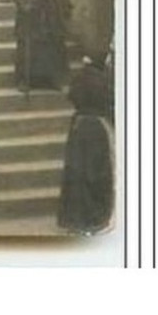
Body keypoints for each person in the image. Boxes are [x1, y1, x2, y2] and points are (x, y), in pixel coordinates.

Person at [8, 0, 73, 98]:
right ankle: (25, 80)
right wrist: (25, 4)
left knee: (51, 47)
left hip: (50, 14)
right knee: (29, 47)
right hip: (31, 16)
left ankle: (51, 79)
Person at [57, 54, 114, 234]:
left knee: (77, 173)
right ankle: (94, 215)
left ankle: (75, 217)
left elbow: (72, 96)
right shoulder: (104, 80)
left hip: (79, 127)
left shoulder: (80, 79)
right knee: (96, 172)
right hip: (97, 127)